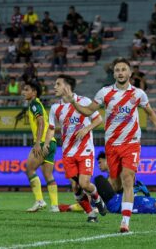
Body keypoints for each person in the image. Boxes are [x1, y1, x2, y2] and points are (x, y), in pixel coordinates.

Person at [62, 57, 156, 232]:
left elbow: (149, 111)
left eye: (123, 70)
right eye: (117, 70)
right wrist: (73, 101)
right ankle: (98, 201)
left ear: (130, 73)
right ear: (114, 74)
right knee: (116, 184)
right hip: (112, 145)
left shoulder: (138, 93)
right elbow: (89, 111)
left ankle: (125, 222)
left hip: (131, 143)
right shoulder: (104, 92)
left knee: (128, 179)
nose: (120, 73)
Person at [43, 74, 107, 222]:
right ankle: (91, 214)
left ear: (67, 86)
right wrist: (46, 142)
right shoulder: (55, 108)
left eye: (58, 84)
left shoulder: (84, 101)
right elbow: (52, 128)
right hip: (68, 152)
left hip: (85, 150)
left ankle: (97, 198)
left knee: (84, 184)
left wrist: (87, 129)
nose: (54, 87)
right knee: (76, 188)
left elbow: (98, 119)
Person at [22, 82, 59, 212]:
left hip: (43, 142)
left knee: (30, 169)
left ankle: (39, 201)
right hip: (52, 142)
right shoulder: (38, 104)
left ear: (34, 92)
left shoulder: (34, 104)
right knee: (48, 175)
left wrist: (38, 142)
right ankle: (54, 206)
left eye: (27, 89)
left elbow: (41, 122)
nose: (23, 92)